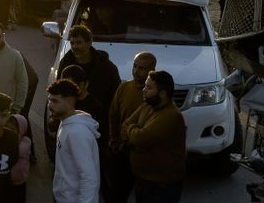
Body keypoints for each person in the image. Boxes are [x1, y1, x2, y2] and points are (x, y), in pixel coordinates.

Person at [122, 70, 186, 203]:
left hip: (161, 188)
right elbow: (125, 125)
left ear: (162, 93)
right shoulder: (148, 105)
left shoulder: (171, 116)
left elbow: (140, 138)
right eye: (145, 86)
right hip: (144, 182)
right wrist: (134, 131)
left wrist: (132, 131)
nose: (144, 90)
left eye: (149, 87)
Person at [108, 52, 157, 203]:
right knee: (117, 193)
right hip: (122, 150)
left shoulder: (155, 94)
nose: (136, 71)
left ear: (151, 70)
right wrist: (114, 140)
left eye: (141, 68)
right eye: (135, 66)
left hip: (143, 155)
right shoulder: (124, 87)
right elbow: (113, 115)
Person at [47, 78, 101, 203]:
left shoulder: (77, 133)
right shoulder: (66, 123)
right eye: (49, 100)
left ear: (69, 101)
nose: (50, 105)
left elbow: (89, 178)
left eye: (55, 101)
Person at [57, 25, 121, 109]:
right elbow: (58, 92)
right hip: (71, 113)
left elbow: (116, 97)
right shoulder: (65, 64)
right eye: (72, 43)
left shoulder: (107, 68)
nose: (75, 47)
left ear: (89, 43)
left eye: (79, 42)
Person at [6, 112, 32, 203]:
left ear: (21, 131)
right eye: (6, 129)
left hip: (20, 181)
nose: (9, 133)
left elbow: (16, 151)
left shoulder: (25, 143)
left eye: (12, 130)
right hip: (8, 181)